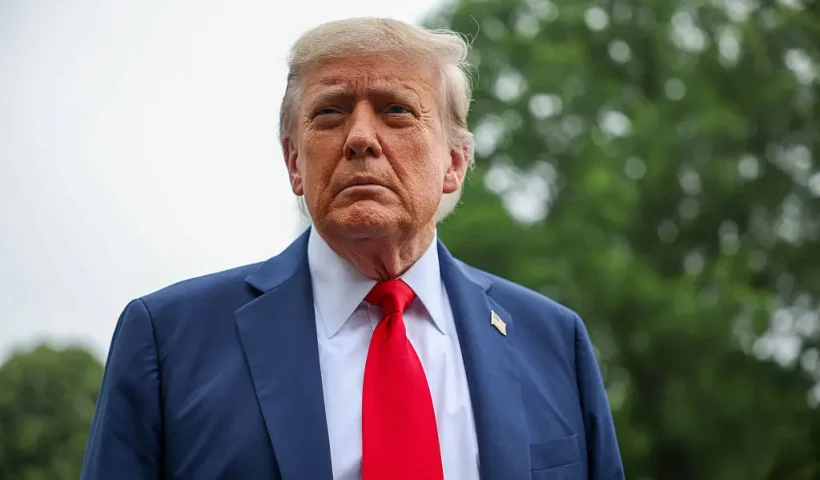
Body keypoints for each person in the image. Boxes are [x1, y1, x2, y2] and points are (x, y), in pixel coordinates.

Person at [80, 17, 624, 480]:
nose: (360, 137)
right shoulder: (167, 340)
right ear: (295, 163)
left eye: (396, 111)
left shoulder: (554, 341)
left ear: (454, 165)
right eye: (331, 113)